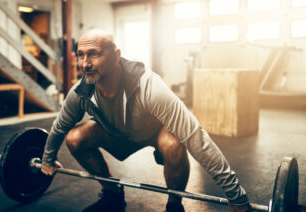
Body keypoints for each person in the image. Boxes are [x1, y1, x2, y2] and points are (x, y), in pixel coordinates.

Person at [41, 29, 252, 212]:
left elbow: (195, 137)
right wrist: (47, 158)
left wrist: (235, 194)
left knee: (173, 143)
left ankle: (174, 203)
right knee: (75, 137)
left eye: (93, 54)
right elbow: (59, 127)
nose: (85, 64)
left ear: (116, 56)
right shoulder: (80, 92)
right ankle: (113, 193)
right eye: (81, 55)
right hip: (116, 133)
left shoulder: (148, 86)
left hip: (153, 133)